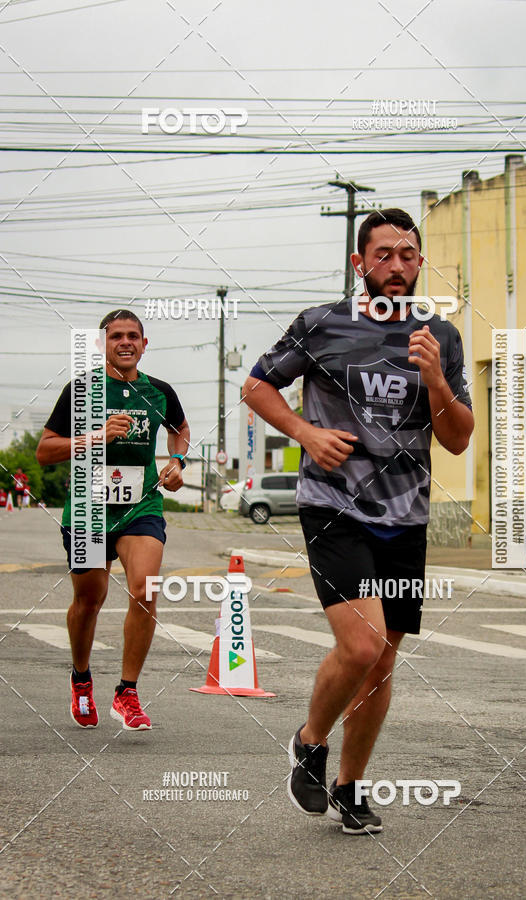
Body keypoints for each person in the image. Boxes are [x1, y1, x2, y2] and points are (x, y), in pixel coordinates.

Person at [242, 208, 473, 834]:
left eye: (408, 255)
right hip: (334, 506)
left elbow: (458, 438)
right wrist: (305, 433)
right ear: (359, 262)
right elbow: (257, 386)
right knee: (363, 644)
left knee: (383, 662)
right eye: (383, 255)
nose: (397, 266)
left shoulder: (441, 336)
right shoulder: (321, 324)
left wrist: (434, 379)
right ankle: (309, 740)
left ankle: (349, 787)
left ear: (420, 262)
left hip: (407, 515)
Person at [37, 310, 190, 731]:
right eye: (116, 336)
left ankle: (127, 692)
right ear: (102, 344)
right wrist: (96, 437)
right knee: (90, 600)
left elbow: (180, 428)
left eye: (133, 336)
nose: (125, 342)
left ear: (144, 344)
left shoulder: (160, 392)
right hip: (88, 509)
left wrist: (177, 461)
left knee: (145, 589)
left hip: (141, 506)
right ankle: (81, 678)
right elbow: (45, 451)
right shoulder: (81, 390)